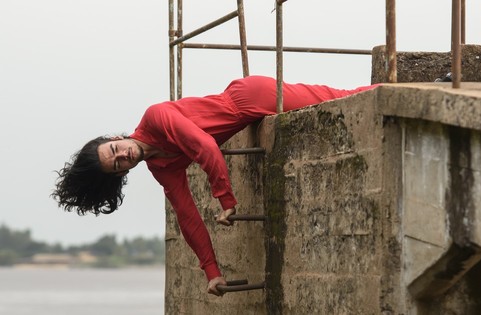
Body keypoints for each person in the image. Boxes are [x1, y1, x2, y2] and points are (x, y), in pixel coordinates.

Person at [52, 75, 378, 296]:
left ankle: (420, 85)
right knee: (335, 97)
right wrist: (212, 272)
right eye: (118, 164)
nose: (123, 156)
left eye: (115, 150)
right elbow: (188, 217)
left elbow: (205, 146)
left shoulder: (155, 117)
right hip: (246, 115)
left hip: (249, 97)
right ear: (121, 174)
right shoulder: (160, 166)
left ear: (114, 138)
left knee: (337, 99)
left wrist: (226, 200)